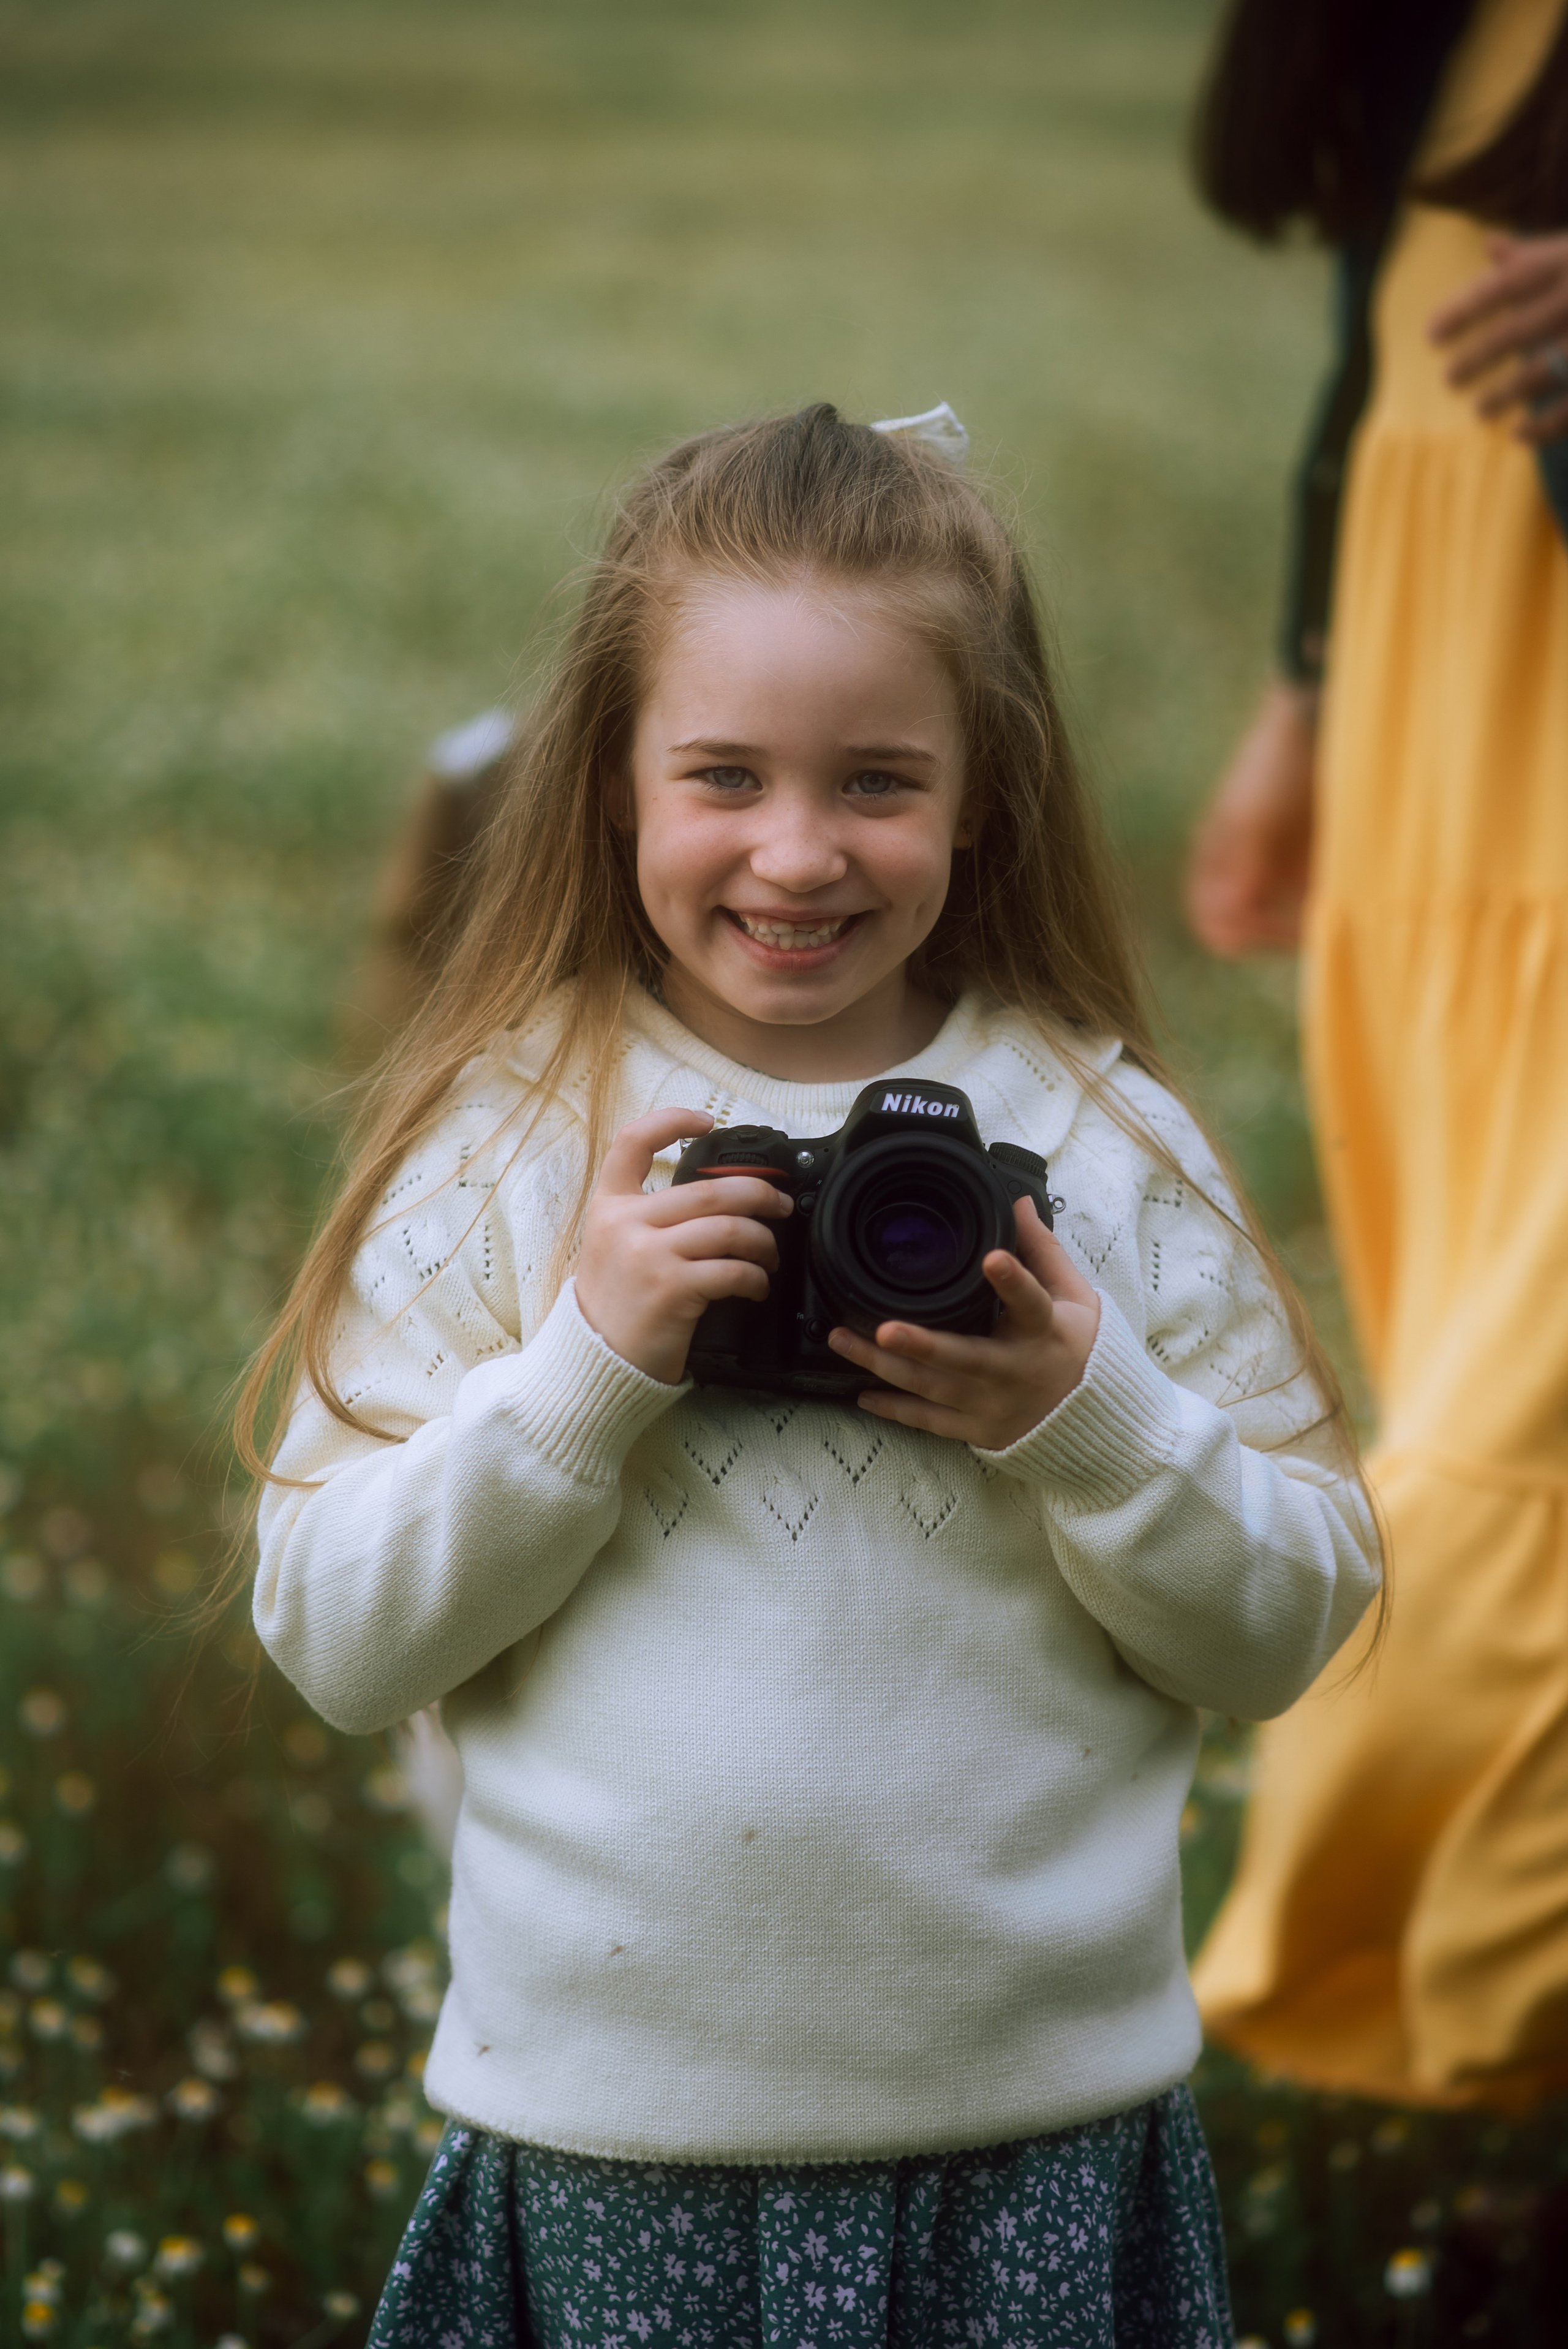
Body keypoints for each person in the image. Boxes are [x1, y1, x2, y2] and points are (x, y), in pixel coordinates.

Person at [240, 404, 1379, 2345]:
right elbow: (335, 1636)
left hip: (1033, 2140)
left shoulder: (1099, 1141)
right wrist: (588, 1369)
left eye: (875, 780)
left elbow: (1290, 1629)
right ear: (609, 784)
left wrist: (1089, 1424)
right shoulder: (515, 1142)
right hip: (612, 2143)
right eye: (724, 776)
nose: (796, 849)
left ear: (982, 795)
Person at [1186, 0, 1568, 2107]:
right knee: (1469, 1373)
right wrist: (1308, 697)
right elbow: (1378, 353)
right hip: (1452, 769)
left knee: (1532, 1432)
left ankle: (1453, 1976)